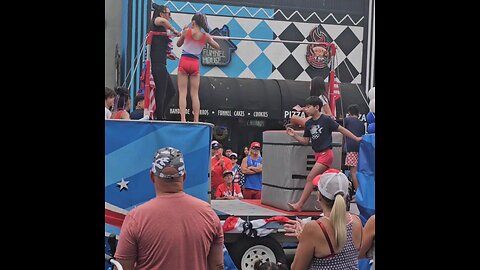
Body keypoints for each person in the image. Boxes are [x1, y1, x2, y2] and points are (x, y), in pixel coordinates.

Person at [114, 147, 224, 270]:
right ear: (184, 176)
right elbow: (217, 265)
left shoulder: (136, 218)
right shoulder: (209, 214)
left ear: (152, 176)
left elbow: (122, 267)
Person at [286, 96, 362, 212]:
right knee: (321, 181)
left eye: (308, 107)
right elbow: (306, 141)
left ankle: (300, 204)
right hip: (318, 155)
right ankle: (333, 205)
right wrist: (294, 135)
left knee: (311, 177)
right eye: (305, 107)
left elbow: (341, 129)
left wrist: (356, 138)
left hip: (326, 154)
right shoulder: (309, 124)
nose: (305, 109)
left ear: (316, 107)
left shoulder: (326, 120)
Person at [284, 169, 362, 270]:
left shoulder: (314, 228)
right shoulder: (356, 221)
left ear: (319, 196)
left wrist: (304, 239)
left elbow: (297, 268)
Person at [176, 13, 220, 122]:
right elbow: (217, 46)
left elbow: (178, 44)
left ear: (194, 22)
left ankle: (183, 119)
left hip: (185, 60)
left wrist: (183, 32)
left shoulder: (187, 32)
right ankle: (196, 119)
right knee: (194, 94)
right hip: (195, 62)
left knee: (182, 92)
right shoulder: (205, 37)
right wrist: (210, 39)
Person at [150, 4, 181, 120]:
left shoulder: (161, 28)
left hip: (161, 62)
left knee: (171, 90)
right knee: (161, 91)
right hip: (157, 64)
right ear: (162, 13)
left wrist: (168, 55)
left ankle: (161, 113)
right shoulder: (156, 21)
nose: (169, 16)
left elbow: (158, 46)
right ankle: (159, 116)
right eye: (168, 13)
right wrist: (174, 30)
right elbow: (161, 21)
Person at [343, 104, 366, 191]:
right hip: (361, 149)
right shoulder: (361, 124)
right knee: (358, 172)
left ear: (349, 113)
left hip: (352, 149)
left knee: (353, 172)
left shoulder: (348, 120)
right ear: (358, 113)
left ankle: (357, 193)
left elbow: (337, 125)